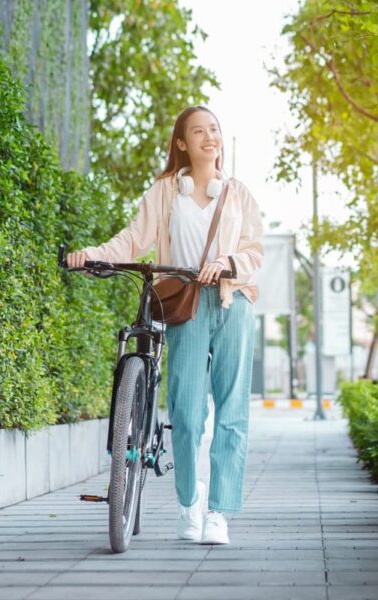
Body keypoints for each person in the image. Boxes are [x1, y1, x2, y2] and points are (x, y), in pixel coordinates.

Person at [67, 106, 263, 545]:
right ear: (181, 143)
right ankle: (189, 506)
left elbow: (254, 250)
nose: (209, 137)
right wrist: (91, 253)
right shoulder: (163, 192)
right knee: (187, 413)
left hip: (233, 301)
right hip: (184, 303)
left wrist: (227, 262)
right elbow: (132, 239)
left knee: (232, 413)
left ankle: (219, 513)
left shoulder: (237, 194)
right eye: (199, 131)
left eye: (214, 129)